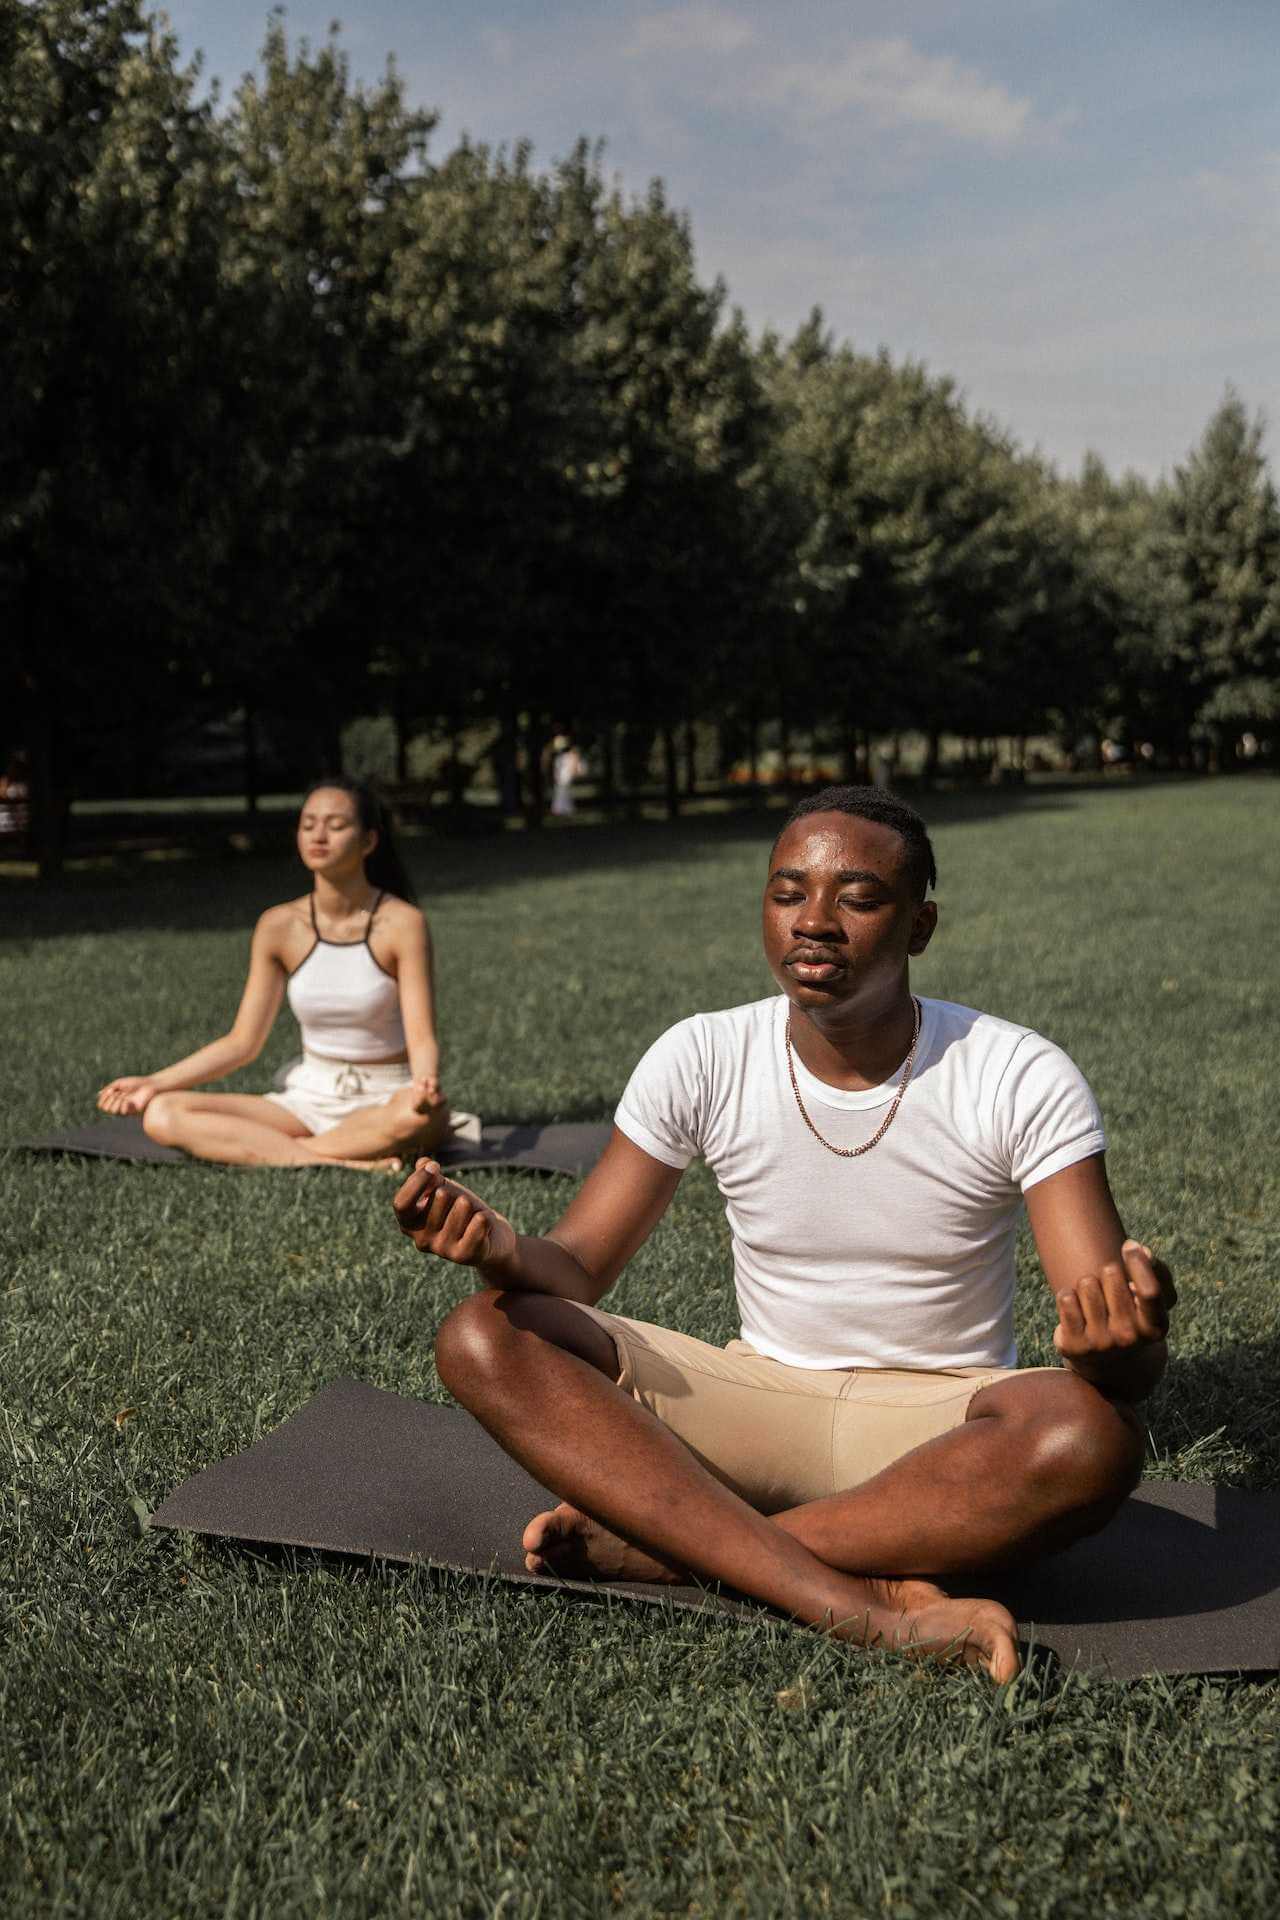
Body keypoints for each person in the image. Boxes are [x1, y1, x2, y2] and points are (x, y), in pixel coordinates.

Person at [392, 785, 1178, 1682]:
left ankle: (676, 1551)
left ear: (919, 926)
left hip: (939, 1429)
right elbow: (573, 1268)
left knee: (1088, 1437)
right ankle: (855, 1602)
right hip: (753, 1399)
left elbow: (1116, 1352)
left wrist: (1125, 1348)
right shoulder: (703, 1054)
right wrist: (500, 1249)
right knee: (484, 1332)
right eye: (787, 891)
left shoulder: (1016, 1073)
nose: (815, 921)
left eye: (858, 897)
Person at [97, 779, 454, 1170]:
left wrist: (424, 1085)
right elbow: (242, 1042)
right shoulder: (279, 925)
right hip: (307, 1098)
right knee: (162, 1112)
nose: (318, 835)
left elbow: (421, 1037)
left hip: (386, 1097)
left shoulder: (403, 923)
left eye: (335, 826)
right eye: (308, 824)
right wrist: (154, 1083)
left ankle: (286, 1152)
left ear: (368, 841)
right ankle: (345, 1159)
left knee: (418, 1118)